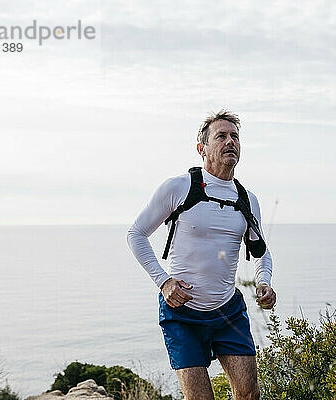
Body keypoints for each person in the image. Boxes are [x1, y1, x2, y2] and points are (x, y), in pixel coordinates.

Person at [126, 110, 276, 400]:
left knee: (249, 395)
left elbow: (261, 252)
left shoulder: (247, 199)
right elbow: (136, 233)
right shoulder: (178, 187)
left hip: (228, 313)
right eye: (221, 136)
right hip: (182, 315)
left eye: (235, 136)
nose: (230, 141)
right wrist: (164, 281)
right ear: (202, 149)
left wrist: (263, 281)